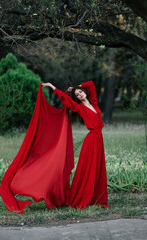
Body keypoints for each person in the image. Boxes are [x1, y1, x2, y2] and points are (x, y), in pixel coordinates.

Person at [42, 81, 109, 209]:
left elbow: (91, 84)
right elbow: (65, 98)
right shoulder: (80, 108)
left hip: (99, 140)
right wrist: (52, 87)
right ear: (77, 99)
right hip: (91, 140)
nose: (80, 95)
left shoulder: (94, 102)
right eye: (77, 95)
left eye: (81, 92)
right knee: (88, 169)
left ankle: (97, 198)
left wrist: (76, 87)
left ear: (84, 92)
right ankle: (83, 197)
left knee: (98, 168)